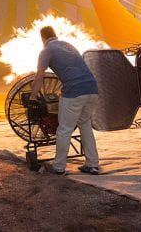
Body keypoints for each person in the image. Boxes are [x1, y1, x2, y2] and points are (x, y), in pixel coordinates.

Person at [28, 25, 100, 175]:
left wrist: (33, 98)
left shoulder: (46, 50)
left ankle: (59, 167)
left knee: (64, 129)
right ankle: (92, 164)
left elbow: (40, 76)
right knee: (84, 124)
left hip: (74, 91)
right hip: (92, 89)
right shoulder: (68, 45)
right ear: (55, 35)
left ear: (43, 38)